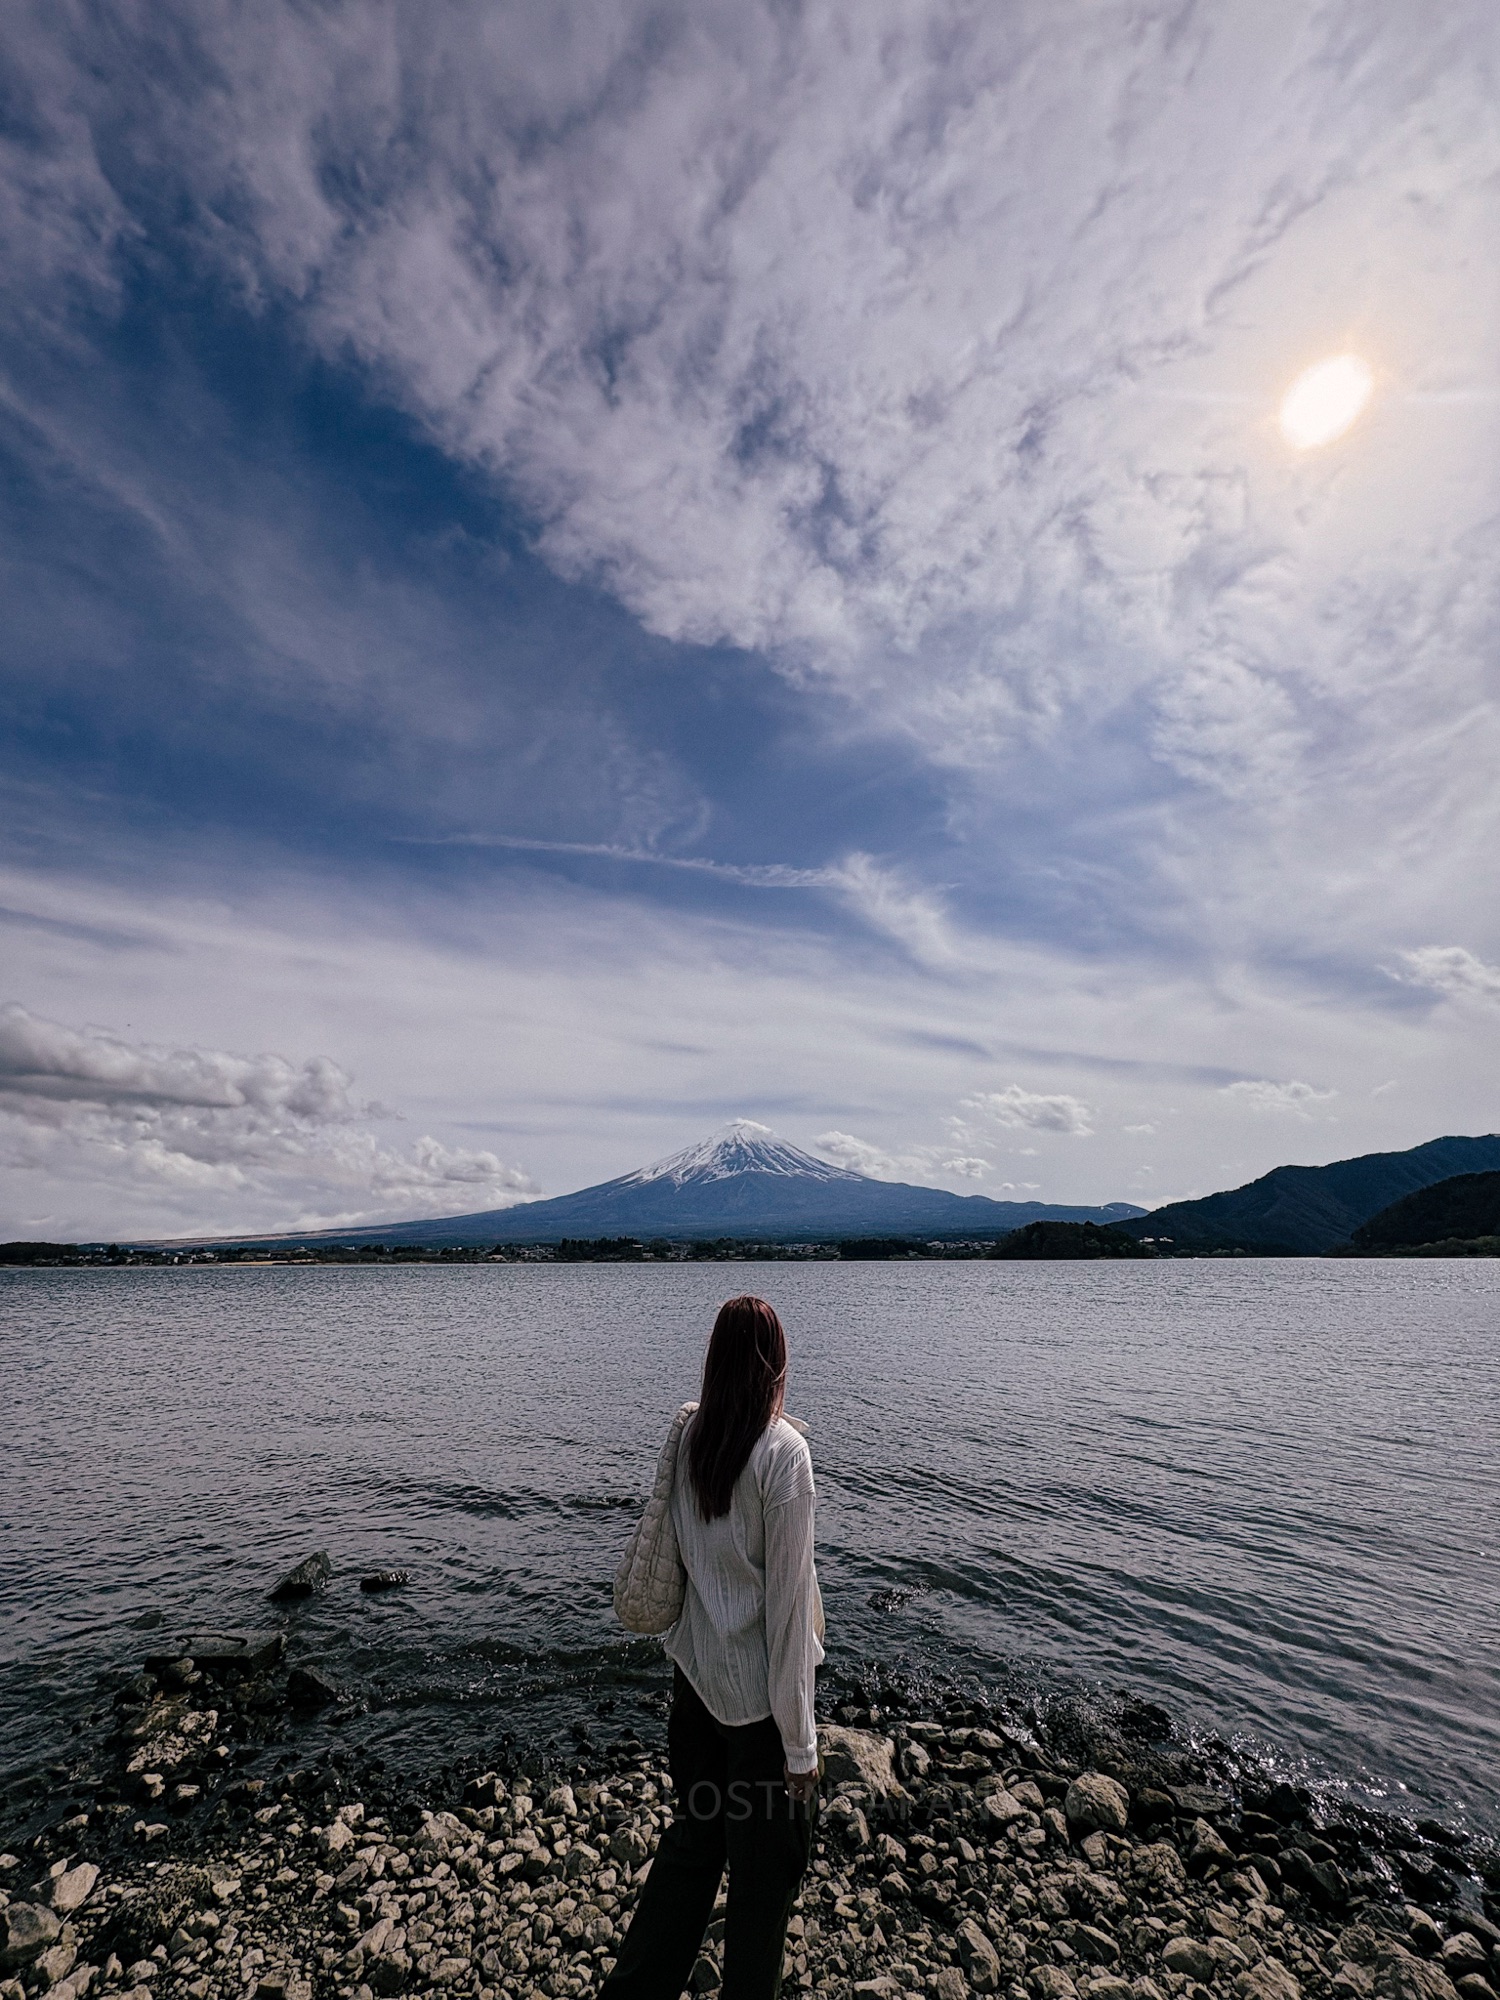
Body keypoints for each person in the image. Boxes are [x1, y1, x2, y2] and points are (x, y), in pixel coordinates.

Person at [602, 1295, 823, 2000]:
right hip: (758, 1715)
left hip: (694, 1691)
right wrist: (801, 1748)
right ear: (776, 1363)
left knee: (693, 1854)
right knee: (763, 1893)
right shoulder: (785, 1454)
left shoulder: (692, 1436)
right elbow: (787, 1614)